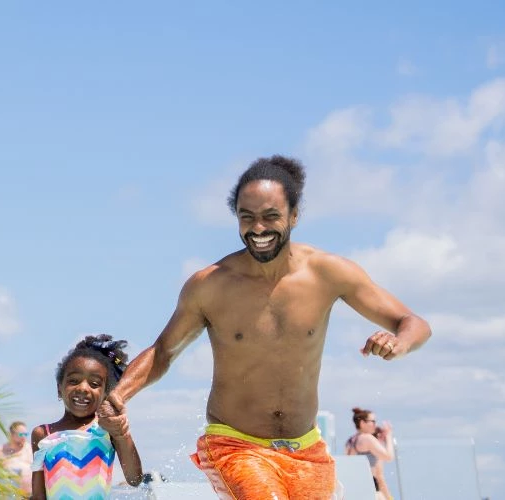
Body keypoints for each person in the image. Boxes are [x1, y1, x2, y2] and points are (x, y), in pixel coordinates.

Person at [111, 155, 433, 500]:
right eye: (247, 218)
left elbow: (414, 324)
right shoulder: (209, 286)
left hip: (306, 449)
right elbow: (163, 352)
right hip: (234, 444)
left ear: (294, 215)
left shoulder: (329, 273)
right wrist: (118, 395)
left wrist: (399, 342)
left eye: (270, 217)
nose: (258, 229)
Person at [31, 335, 144, 499]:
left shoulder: (108, 429)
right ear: (59, 389)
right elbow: (38, 494)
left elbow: (135, 479)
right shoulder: (43, 433)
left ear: (106, 393)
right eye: (74, 381)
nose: (83, 388)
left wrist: (121, 435)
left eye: (94, 384)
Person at [342, 408, 394, 499]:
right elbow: (388, 458)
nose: (375, 424)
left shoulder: (350, 442)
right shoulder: (367, 438)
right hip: (371, 490)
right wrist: (389, 436)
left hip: (355, 490)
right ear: (362, 423)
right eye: (373, 421)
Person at [0, 421, 34, 497]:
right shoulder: (1, 450)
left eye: (26, 434)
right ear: (11, 435)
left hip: (29, 494)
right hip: (9, 493)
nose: (24, 437)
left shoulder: (30, 449)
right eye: (21, 434)